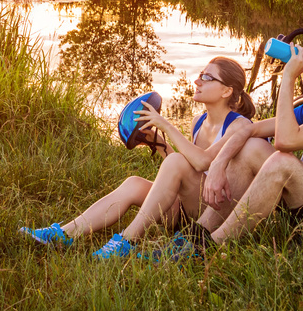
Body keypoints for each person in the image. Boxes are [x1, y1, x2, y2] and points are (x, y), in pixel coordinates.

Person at [146, 28, 303, 261]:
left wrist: (288, 77)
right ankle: (196, 235)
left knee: (281, 161)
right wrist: (219, 163)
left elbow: (285, 141)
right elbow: (250, 128)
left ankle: (209, 247)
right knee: (251, 145)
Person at [17, 56, 274, 259]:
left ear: (226, 91)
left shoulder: (239, 126)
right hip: (188, 207)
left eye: (207, 78)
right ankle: (64, 233)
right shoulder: (199, 121)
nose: (197, 81)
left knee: (176, 162)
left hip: (213, 211)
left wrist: (167, 125)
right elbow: (184, 169)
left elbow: (202, 162)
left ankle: (126, 242)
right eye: (199, 75)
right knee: (134, 183)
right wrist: (159, 143)